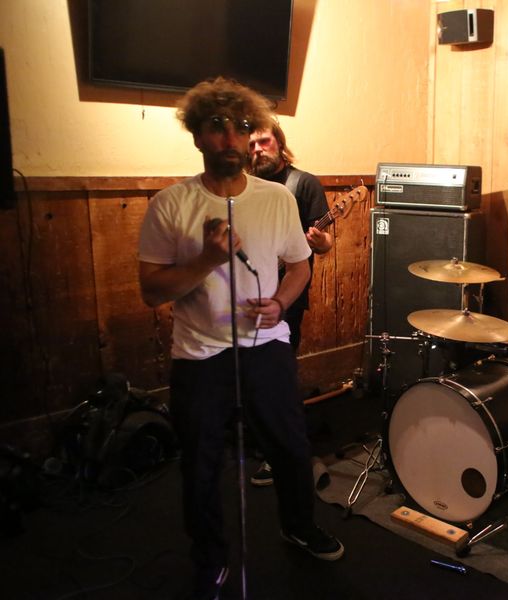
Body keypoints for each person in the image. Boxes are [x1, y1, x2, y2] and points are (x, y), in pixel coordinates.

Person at [137, 77, 344, 600]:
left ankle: (299, 526)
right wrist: (208, 259)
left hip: (266, 345)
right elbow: (152, 291)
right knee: (201, 462)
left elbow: (299, 265)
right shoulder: (170, 205)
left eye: (242, 126)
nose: (232, 137)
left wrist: (281, 303)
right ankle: (209, 557)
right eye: (218, 126)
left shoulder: (278, 199)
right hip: (199, 352)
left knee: (291, 448)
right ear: (197, 135)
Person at [247, 122, 333, 487]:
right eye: (251, 144)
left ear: (279, 144)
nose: (257, 149)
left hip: (287, 295)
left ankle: (281, 454)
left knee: (278, 372)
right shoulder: (244, 186)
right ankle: (262, 438)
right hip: (249, 293)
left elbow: (325, 242)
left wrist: (321, 242)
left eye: (264, 141)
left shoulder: (303, 184)